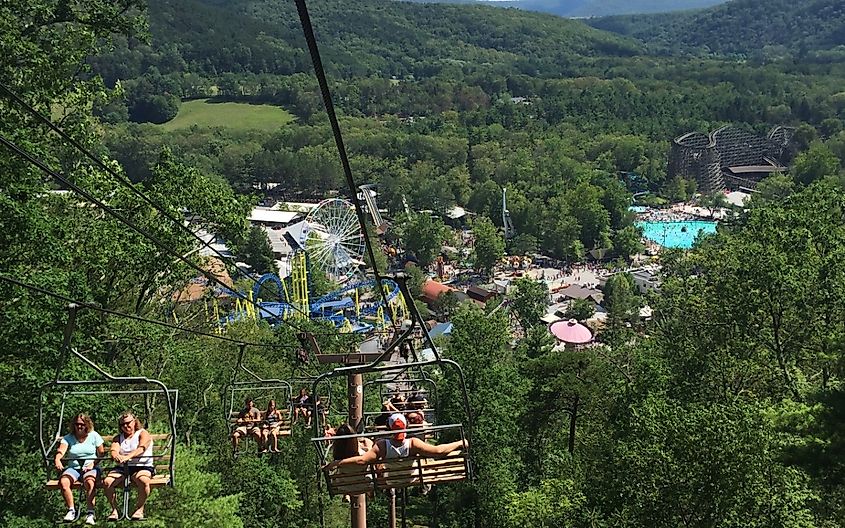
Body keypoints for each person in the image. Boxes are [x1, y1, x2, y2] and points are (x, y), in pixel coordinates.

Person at [325, 413, 466, 471]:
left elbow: (363, 460)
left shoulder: (381, 445)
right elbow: (438, 451)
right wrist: (460, 442)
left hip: (391, 479)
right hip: (410, 477)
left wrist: (334, 463)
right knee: (429, 462)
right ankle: (460, 451)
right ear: (406, 427)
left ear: (389, 429)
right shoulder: (413, 444)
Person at [103, 412, 155, 521]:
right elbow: (114, 449)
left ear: (134, 422)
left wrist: (128, 457)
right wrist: (116, 456)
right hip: (123, 467)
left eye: (128, 423)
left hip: (142, 466)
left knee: (143, 480)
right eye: (123, 425)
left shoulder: (142, 433)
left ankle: (140, 509)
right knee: (107, 482)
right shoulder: (118, 438)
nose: (126, 426)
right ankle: (114, 510)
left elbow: (142, 448)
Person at [54, 413, 104, 525]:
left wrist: (93, 463)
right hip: (74, 468)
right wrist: (58, 459)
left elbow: (101, 453)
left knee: (90, 482)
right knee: (63, 481)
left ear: (87, 424)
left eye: (82, 424)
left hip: (90, 467)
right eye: (77, 424)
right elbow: (61, 450)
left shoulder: (94, 436)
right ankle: (71, 510)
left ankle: (90, 513)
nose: (79, 426)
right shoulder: (68, 438)